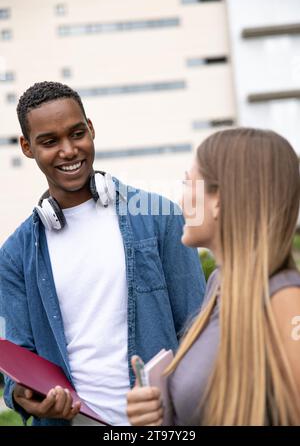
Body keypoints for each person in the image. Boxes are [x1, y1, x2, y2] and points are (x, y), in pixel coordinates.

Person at [0, 81, 206, 426]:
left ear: (91, 129)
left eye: (76, 134)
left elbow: (199, 334)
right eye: (49, 141)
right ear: (27, 146)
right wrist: (23, 396)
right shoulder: (14, 256)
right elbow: (17, 361)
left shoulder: (159, 216)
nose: (68, 150)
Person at [127, 127, 300, 426]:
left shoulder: (285, 300)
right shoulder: (219, 285)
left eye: (188, 184)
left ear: (218, 199)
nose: (181, 202)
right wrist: (158, 415)